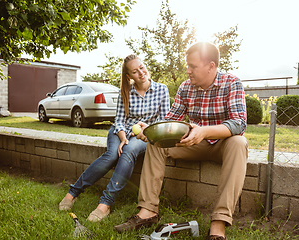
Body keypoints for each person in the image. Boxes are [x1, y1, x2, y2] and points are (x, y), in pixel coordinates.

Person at [114, 42, 248, 240]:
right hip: (192, 143)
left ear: (211, 66)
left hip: (222, 144)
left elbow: (239, 123)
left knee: (239, 143)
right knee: (155, 144)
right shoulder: (185, 87)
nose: (188, 71)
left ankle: (219, 224)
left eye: (192, 66)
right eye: (188, 66)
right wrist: (150, 131)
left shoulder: (232, 83)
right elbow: (171, 120)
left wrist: (204, 132)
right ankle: (147, 212)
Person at [59, 54, 170, 223]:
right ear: (129, 76)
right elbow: (119, 120)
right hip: (120, 132)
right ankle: (73, 192)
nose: (141, 72)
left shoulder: (161, 90)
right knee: (112, 155)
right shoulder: (125, 92)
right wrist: (123, 137)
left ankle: (105, 204)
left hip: (144, 135)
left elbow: (162, 122)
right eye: (135, 71)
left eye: (141, 67)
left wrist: (140, 133)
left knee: (129, 150)